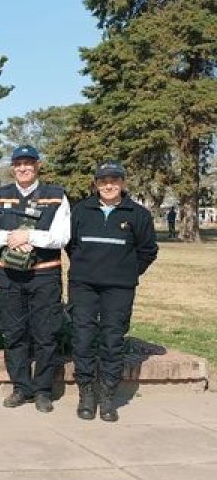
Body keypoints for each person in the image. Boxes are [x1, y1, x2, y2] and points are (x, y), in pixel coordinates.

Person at [66, 161, 158, 422]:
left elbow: (148, 251)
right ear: (95, 183)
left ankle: (107, 396)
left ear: (122, 183)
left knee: (112, 342)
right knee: (82, 339)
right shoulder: (81, 210)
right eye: (103, 181)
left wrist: (126, 272)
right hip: (84, 285)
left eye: (114, 180)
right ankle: (86, 394)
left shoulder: (138, 214)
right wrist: (87, 268)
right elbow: (71, 246)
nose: (109, 185)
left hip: (119, 289)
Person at [0, 145, 71, 413]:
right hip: (9, 275)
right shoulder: (0, 196)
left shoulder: (56, 196)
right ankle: (21, 387)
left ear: (38, 165)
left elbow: (61, 236)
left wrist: (30, 237)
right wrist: (14, 238)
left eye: (28, 163)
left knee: (45, 333)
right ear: (13, 167)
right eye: (19, 163)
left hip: (44, 274)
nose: (23, 168)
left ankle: (43, 390)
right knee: (14, 333)